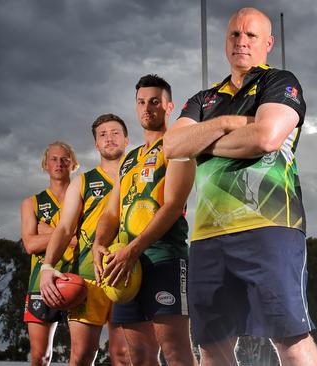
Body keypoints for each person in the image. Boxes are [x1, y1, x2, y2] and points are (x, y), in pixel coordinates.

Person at [164, 7, 317, 366]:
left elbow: (266, 137)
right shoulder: (203, 99)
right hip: (207, 236)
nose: (241, 42)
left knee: (290, 339)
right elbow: (172, 147)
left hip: (269, 228)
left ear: (268, 43)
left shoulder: (279, 82)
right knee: (212, 346)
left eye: (251, 36)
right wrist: (232, 124)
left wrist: (202, 139)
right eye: (235, 35)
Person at [92, 74, 196, 366]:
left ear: (169, 106)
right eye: (141, 102)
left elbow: (174, 205)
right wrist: (100, 244)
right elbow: (111, 212)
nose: (147, 107)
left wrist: (133, 249)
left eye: (154, 101)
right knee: (137, 354)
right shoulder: (129, 159)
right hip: (126, 263)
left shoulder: (177, 148)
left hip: (164, 258)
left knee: (175, 349)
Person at [38, 114, 135, 365]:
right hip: (89, 276)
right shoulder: (83, 181)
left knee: (123, 355)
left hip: (127, 273)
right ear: (96, 144)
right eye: (102, 135)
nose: (109, 138)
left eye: (115, 133)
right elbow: (64, 228)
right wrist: (47, 266)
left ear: (127, 139)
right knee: (81, 355)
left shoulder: (138, 177)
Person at [20, 141, 79, 366]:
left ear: (73, 164)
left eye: (64, 158)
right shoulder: (31, 203)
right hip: (41, 282)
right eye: (53, 159)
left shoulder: (83, 195)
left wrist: (44, 230)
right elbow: (30, 245)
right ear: (45, 164)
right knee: (40, 357)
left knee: (82, 354)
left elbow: (83, 239)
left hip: (77, 278)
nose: (59, 163)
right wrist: (65, 235)